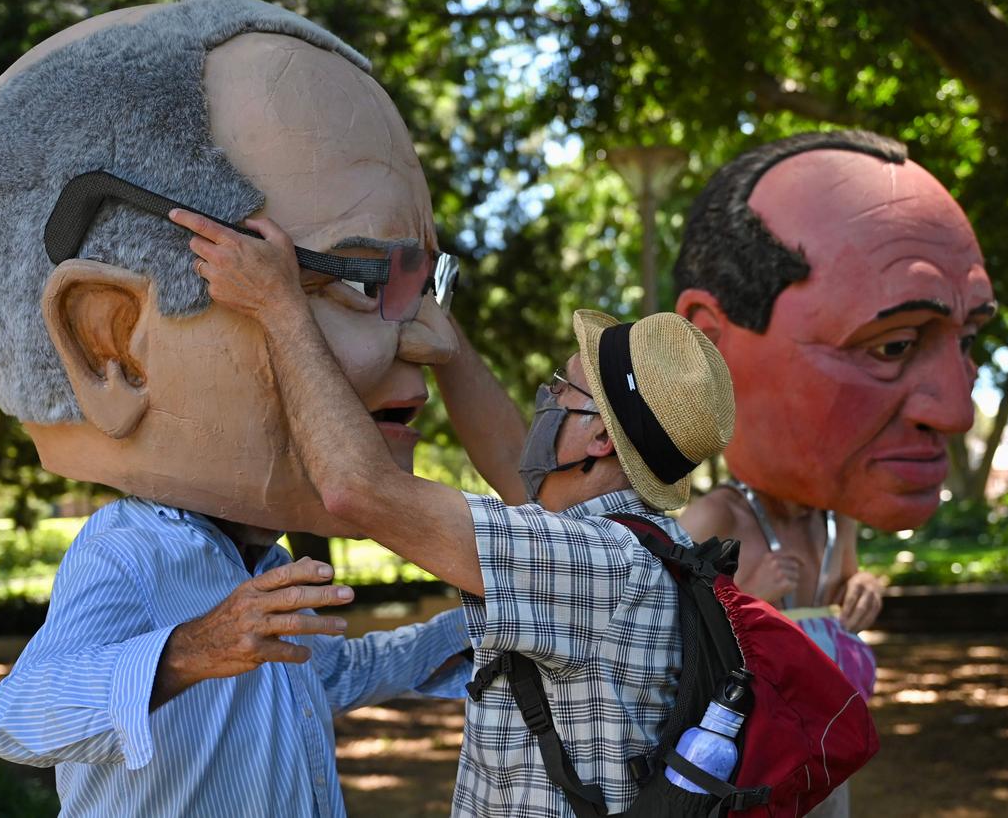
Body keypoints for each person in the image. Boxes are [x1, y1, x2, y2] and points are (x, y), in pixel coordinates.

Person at [0, 0, 471, 815]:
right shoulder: (133, 551)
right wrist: (192, 649)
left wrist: (492, 611)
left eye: (422, 281)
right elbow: (16, 718)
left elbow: (329, 676)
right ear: (112, 343)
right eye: (367, 281)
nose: (436, 340)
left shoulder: (255, 568)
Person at [178, 202, 739, 817]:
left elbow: (359, 488)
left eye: (564, 386)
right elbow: (506, 455)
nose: (546, 397)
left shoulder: (595, 565)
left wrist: (278, 305)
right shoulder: (633, 548)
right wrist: (447, 336)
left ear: (601, 437)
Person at [672, 130, 998, 815]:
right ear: (711, 346)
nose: (959, 411)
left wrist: (861, 591)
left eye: (967, 342)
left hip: (824, 753)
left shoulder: (832, 518)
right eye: (894, 344)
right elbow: (658, 664)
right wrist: (742, 607)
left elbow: (845, 582)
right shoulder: (711, 525)